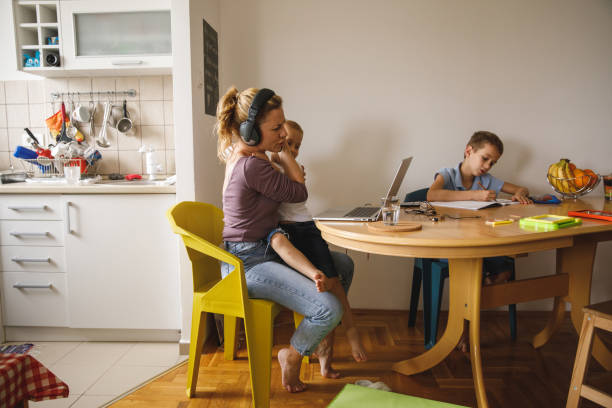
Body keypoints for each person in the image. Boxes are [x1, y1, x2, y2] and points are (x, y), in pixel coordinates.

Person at [216, 86, 354, 393]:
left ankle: (319, 346)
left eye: (283, 125)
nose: (283, 134)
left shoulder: (253, 158)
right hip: (246, 263)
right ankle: (291, 355)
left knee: (342, 265)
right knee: (329, 308)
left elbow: (292, 187)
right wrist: (284, 155)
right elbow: (299, 191)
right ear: (250, 132)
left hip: (266, 248)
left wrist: (281, 158)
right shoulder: (253, 165)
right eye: (276, 128)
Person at [266, 120, 367, 363]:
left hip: (306, 229)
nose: (292, 149)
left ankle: (337, 338)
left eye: (297, 145)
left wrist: (293, 167)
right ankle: (337, 338)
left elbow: (297, 184)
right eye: (288, 143)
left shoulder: (292, 168)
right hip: (289, 234)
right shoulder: (268, 166)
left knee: (335, 281)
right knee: (332, 282)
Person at [427, 130, 531, 351]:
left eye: (492, 163)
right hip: (450, 246)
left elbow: (519, 188)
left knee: (505, 267)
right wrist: (474, 196)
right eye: (485, 158)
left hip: (479, 245)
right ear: (469, 151)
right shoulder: (448, 174)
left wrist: (519, 193)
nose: (487, 166)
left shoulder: (487, 180)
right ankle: (463, 330)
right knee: (474, 270)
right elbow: (432, 195)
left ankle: (479, 297)